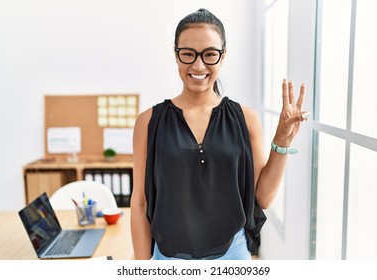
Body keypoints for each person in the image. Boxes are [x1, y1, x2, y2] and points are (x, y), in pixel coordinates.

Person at [130, 8, 307, 260]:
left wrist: (282, 139)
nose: (198, 65)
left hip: (232, 256)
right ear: (176, 56)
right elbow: (139, 204)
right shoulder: (148, 122)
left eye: (209, 54)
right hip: (167, 258)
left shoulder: (245, 119)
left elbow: (263, 198)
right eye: (188, 54)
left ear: (222, 57)